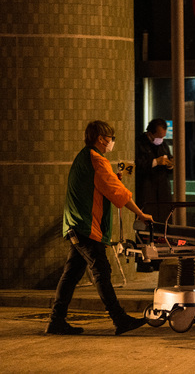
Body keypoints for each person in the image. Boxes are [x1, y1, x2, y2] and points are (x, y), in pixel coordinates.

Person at [46, 121, 154, 335]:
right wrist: (140, 213)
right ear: (101, 139)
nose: (112, 142)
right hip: (87, 226)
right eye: (110, 138)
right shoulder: (97, 160)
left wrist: (113, 179)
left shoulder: (83, 157)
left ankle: (56, 320)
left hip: (76, 224)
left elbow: (100, 186)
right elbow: (118, 193)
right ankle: (119, 319)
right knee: (101, 272)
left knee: (72, 274)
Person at [135, 118, 174, 222]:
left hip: (162, 189)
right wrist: (156, 162)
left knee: (164, 217)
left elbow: (169, 164)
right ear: (151, 133)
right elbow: (138, 165)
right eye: (159, 137)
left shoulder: (163, 145)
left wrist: (170, 164)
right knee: (148, 217)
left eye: (163, 137)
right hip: (147, 189)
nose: (160, 139)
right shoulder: (139, 143)